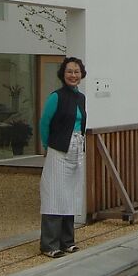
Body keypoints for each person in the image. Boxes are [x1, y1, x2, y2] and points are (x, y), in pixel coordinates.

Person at [39, 56, 87, 258]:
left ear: (81, 74)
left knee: (70, 194)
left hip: (76, 150)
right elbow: (44, 122)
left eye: (76, 71)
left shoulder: (81, 97)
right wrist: (46, 145)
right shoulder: (56, 97)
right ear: (62, 74)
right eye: (69, 71)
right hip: (58, 150)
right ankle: (49, 244)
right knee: (54, 194)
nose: (73, 75)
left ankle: (67, 241)